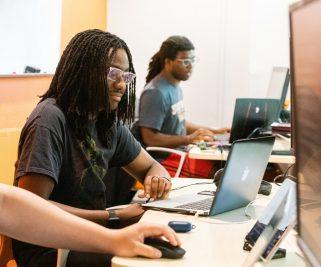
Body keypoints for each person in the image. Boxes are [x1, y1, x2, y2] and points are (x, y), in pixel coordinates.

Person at [13, 29, 172, 266]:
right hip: (49, 246)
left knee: (161, 250)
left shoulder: (107, 122)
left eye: (126, 76)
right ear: (84, 70)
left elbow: (151, 166)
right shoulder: (49, 119)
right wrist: (113, 217)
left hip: (89, 235)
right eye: (113, 73)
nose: (121, 84)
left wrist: (158, 178)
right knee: (145, 260)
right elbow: (32, 209)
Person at [0, 184, 179, 259]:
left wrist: (114, 239)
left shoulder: (110, 125)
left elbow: (6, 203)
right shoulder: (48, 120)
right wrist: (115, 220)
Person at [137, 36, 229, 177]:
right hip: (164, 159)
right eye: (185, 61)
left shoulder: (175, 86)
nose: (190, 65)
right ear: (168, 62)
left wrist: (215, 131)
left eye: (192, 60)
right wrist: (189, 139)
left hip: (182, 151)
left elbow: (179, 123)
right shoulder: (155, 92)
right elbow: (150, 138)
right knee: (220, 172)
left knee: (223, 165)